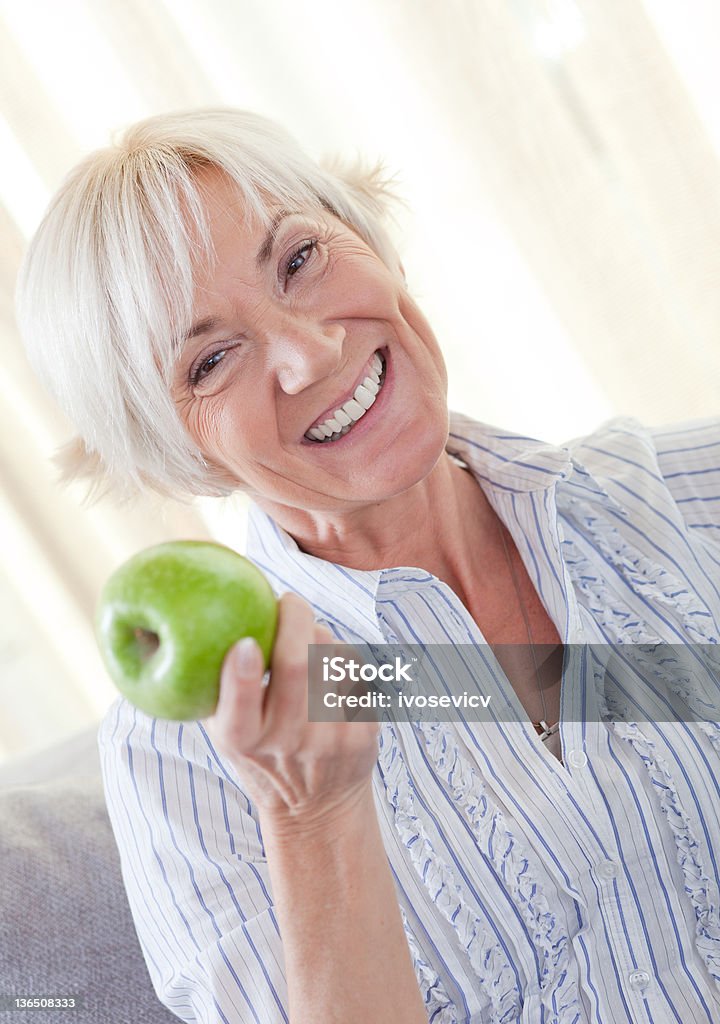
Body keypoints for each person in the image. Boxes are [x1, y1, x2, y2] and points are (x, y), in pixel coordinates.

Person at [15, 107, 720, 1024]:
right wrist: (313, 818)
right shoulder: (183, 758)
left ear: (366, 235)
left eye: (299, 260)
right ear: (168, 448)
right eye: (213, 358)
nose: (310, 352)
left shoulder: (686, 499)